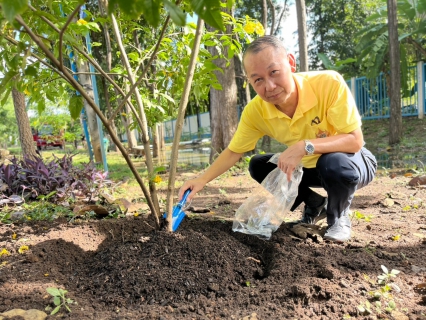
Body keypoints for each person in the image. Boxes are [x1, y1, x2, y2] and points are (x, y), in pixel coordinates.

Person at [178, 35, 377, 242]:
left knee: (333, 162)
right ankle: (316, 204)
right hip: (308, 169)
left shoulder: (327, 83)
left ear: (290, 63)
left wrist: (305, 146)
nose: (269, 86)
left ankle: (338, 217)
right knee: (258, 165)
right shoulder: (255, 111)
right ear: (250, 82)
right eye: (258, 80)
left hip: (353, 162)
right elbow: (234, 151)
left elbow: (354, 141)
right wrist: (200, 180)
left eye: (274, 72)